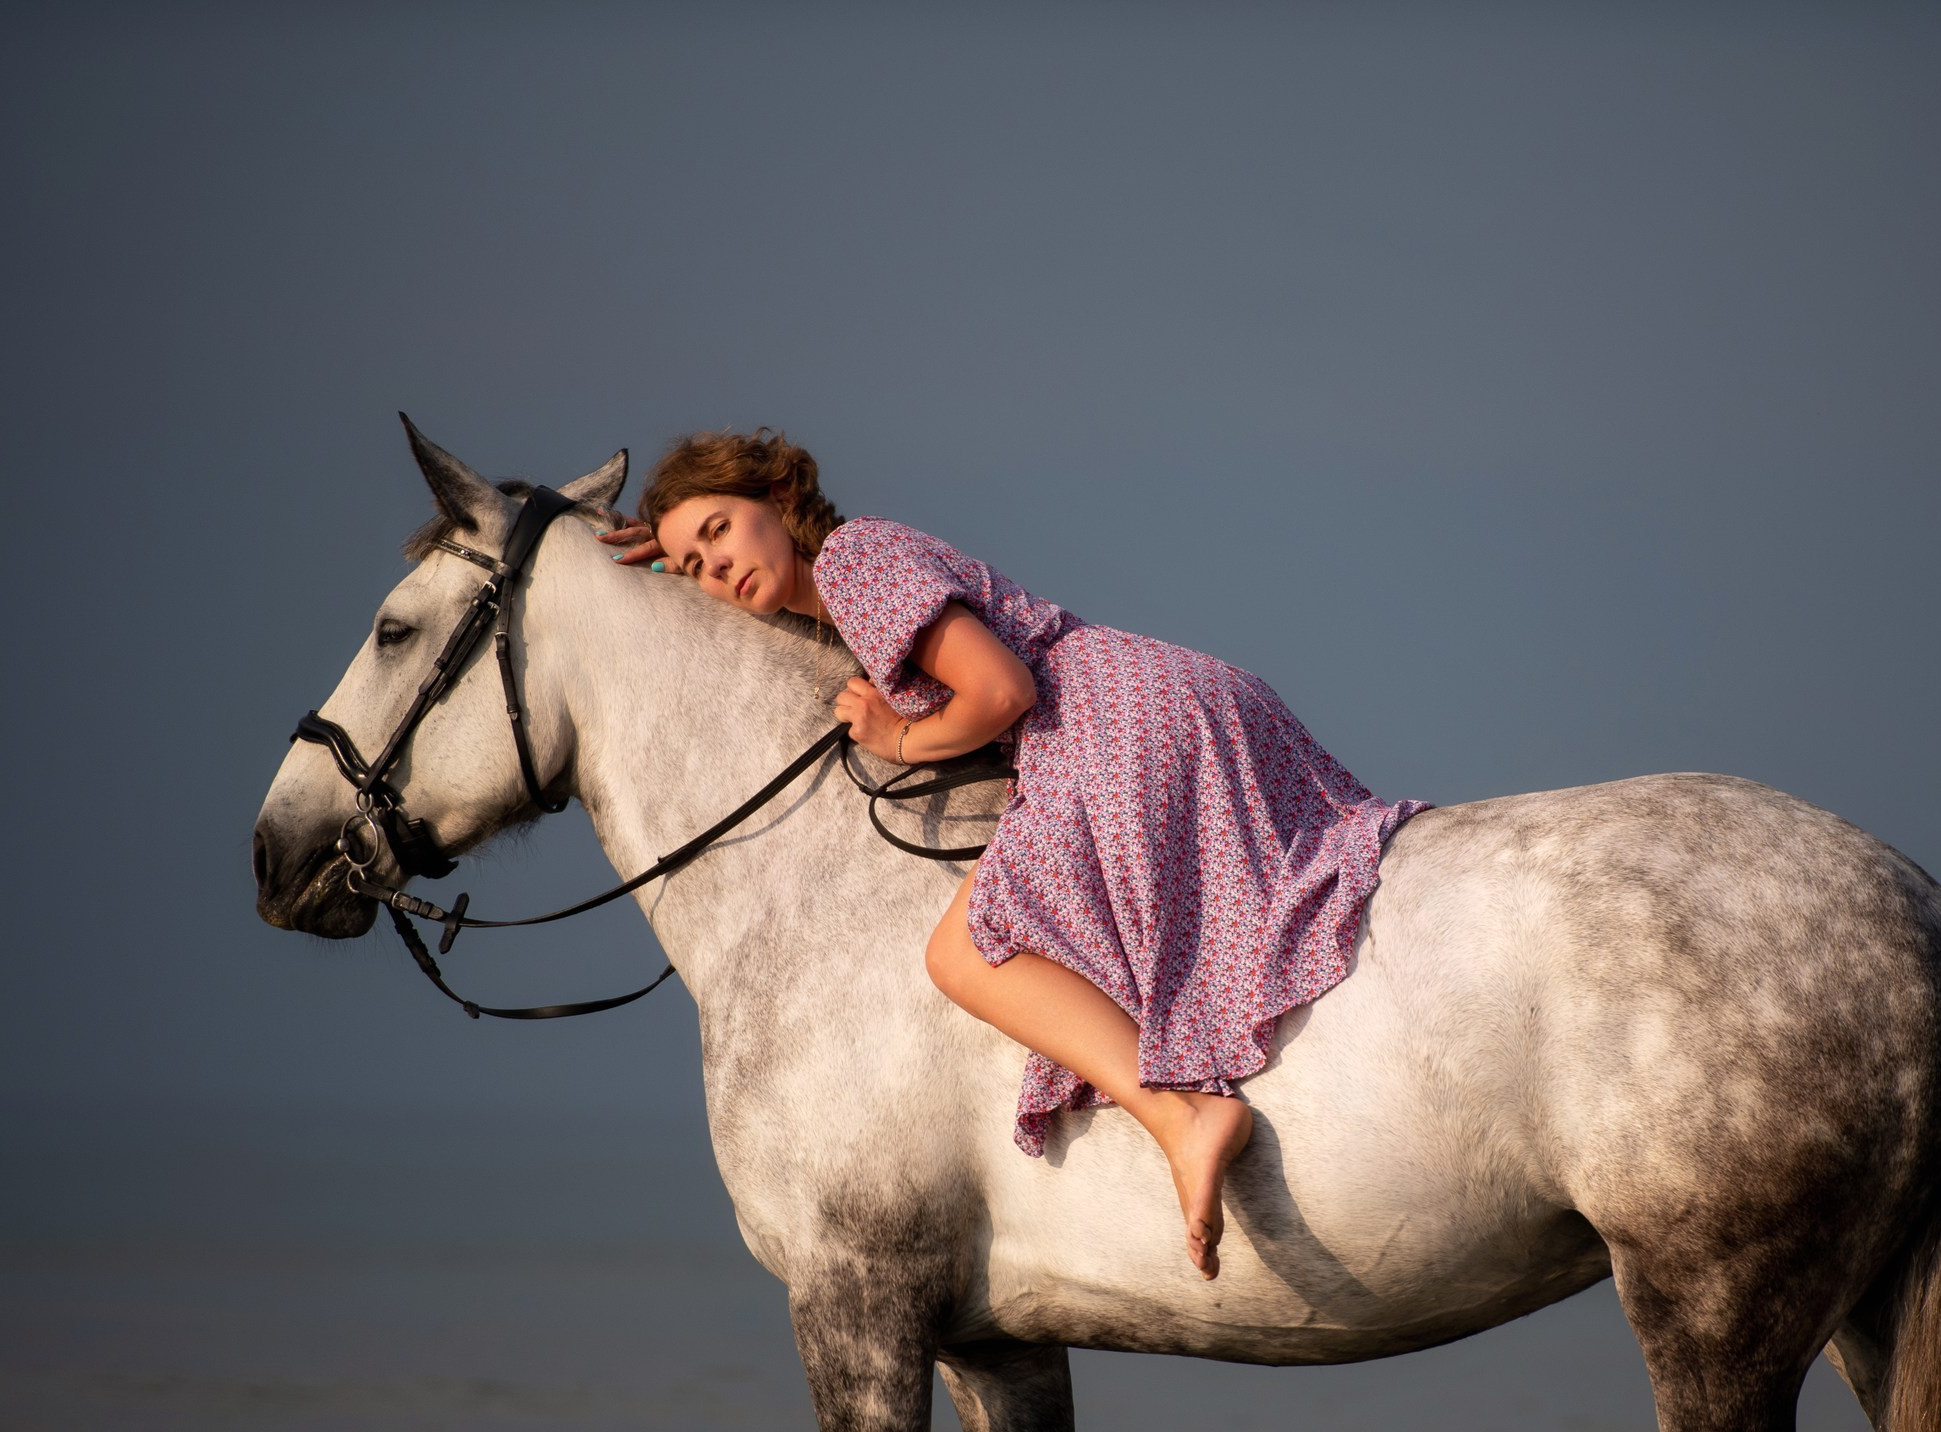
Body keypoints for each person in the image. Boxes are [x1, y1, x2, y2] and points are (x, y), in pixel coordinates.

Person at [599, 431, 1426, 1278]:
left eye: (722, 529)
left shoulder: (852, 559)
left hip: (1101, 720)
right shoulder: (837, 585)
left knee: (961, 954)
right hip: (1138, 697)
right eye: (695, 564)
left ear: (777, 495)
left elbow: (1002, 691)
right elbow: (702, 567)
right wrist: (655, 549)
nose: (716, 565)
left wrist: (900, 737)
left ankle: (1184, 1119)